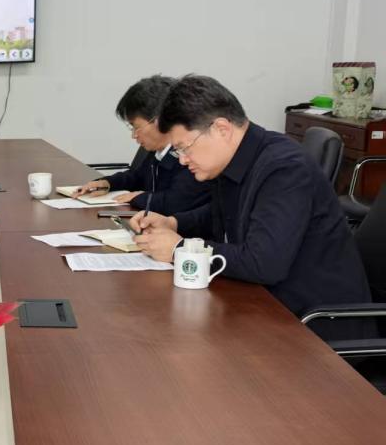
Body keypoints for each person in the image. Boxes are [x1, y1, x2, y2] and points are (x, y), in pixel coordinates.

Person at [132, 74, 371, 320]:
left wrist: (179, 249)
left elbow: (264, 264)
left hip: (315, 321)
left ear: (221, 129)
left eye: (184, 147)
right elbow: (221, 213)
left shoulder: (285, 169)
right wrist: (173, 223)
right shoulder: (235, 161)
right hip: (265, 304)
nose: (182, 160)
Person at [71, 75, 211, 214]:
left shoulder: (189, 155)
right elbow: (137, 177)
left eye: (136, 127)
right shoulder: (158, 151)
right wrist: (107, 183)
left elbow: (176, 202)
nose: (134, 135)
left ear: (159, 121)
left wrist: (140, 198)